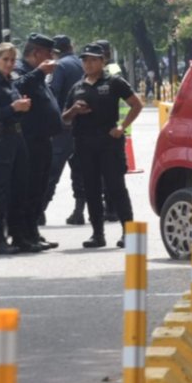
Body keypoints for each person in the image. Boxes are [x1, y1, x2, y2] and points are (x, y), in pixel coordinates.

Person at [62, 43, 143, 248]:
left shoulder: (114, 82)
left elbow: (136, 104)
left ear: (102, 61)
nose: (88, 64)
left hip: (109, 143)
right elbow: (64, 118)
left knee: (116, 188)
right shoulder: (77, 86)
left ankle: (129, 232)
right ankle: (97, 234)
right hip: (84, 144)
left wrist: (122, 126)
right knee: (91, 189)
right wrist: (74, 110)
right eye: (85, 60)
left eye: (93, 60)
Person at [0, 43, 33, 255]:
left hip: (16, 138)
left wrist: (23, 107)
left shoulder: (11, 81)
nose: (9, 64)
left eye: (12, 60)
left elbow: (14, 110)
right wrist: (12, 107)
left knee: (19, 189)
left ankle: (18, 236)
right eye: (5, 60)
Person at [13, 34, 60, 249]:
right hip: (28, 141)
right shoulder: (20, 70)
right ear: (36, 53)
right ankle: (23, 235)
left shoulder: (38, 76)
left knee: (40, 188)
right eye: (48, 53)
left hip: (43, 139)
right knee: (28, 188)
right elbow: (16, 88)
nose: (51, 58)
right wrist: (39, 71)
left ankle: (33, 232)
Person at [42, 35, 86, 225]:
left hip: (64, 125)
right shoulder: (82, 63)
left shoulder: (60, 66)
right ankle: (79, 210)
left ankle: (38, 210)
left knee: (52, 171)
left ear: (55, 51)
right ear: (72, 46)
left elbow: (53, 93)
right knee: (80, 170)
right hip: (83, 126)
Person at [95, 39, 124, 223]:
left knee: (110, 174)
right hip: (117, 126)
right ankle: (111, 207)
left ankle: (112, 208)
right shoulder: (116, 68)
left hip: (114, 126)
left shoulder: (110, 72)